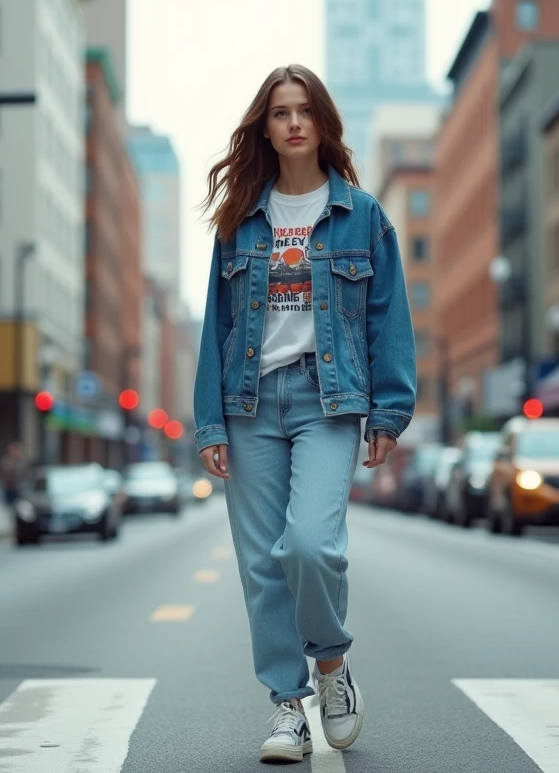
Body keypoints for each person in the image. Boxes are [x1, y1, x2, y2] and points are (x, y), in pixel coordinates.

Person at [194, 64, 416, 764]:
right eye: (280, 112)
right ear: (265, 126)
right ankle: (287, 710)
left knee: (310, 547)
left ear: (322, 123)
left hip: (328, 401)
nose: (293, 122)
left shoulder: (363, 215)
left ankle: (330, 666)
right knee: (262, 565)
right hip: (249, 403)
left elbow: (388, 320)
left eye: (304, 111)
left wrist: (389, 412)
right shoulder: (240, 220)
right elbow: (217, 326)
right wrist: (208, 423)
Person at [0, 442, 27, 509]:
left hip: (18, 488)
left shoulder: (22, 461)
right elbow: (6, 472)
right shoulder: (6, 461)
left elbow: (22, 472)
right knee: (8, 506)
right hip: (8, 488)